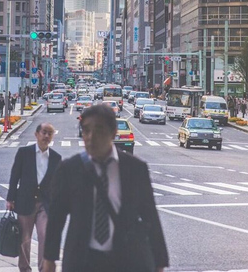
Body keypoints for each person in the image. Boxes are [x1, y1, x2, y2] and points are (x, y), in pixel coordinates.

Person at [42, 104, 168, 272]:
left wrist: (159, 262)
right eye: (86, 131)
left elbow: (150, 215)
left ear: (113, 132)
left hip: (127, 258)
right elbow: (56, 217)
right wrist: (49, 259)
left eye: (99, 130)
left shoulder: (135, 169)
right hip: (82, 259)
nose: (91, 137)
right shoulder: (69, 169)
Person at [6, 123, 62, 272]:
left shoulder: (56, 158)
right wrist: (10, 199)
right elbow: (14, 176)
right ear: (36, 134)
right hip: (25, 201)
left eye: (50, 133)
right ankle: (24, 268)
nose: (46, 136)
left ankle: (44, 268)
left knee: (45, 235)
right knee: (24, 238)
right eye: (44, 132)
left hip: (45, 204)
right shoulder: (24, 153)